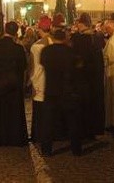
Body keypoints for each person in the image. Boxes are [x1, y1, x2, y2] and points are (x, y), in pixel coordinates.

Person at [39, 28, 81, 156]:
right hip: (68, 89)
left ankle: (46, 150)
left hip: (51, 89)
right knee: (72, 121)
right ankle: (76, 149)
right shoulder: (70, 52)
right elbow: (77, 68)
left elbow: (42, 64)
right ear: (64, 38)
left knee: (48, 122)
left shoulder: (46, 51)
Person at [0, 21, 28, 146]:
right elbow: (23, 66)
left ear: (5, 30)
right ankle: (14, 136)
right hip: (13, 83)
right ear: (16, 32)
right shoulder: (18, 48)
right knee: (13, 111)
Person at [71, 14, 105, 140]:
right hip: (95, 77)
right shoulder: (96, 37)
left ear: (81, 24)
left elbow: (76, 59)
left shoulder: (79, 39)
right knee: (93, 104)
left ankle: (84, 131)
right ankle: (93, 129)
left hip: (82, 77)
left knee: (83, 106)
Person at [29, 16, 52, 143]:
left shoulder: (36, 46)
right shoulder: (56, 42)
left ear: (39, 29)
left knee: (40, 110)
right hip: (54, 82)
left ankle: (38, 134)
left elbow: (33, 66)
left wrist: (31, 81)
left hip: (39, 81)